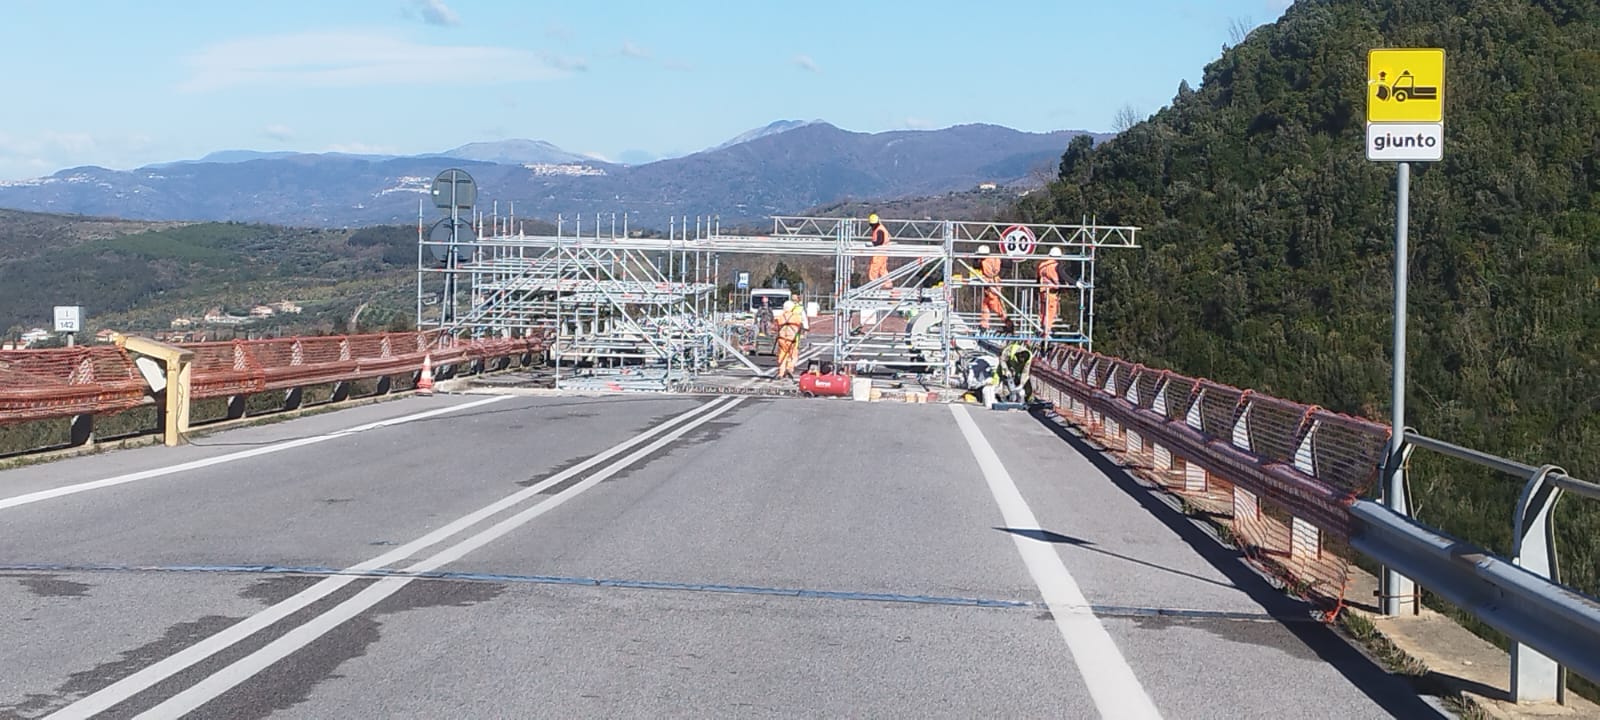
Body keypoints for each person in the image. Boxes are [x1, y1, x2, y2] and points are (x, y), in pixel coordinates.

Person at [773, 299, 809, 379]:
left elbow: (775, 326)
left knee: (782, 355)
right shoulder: (796, 317)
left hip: (782, 339)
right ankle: (789, 368)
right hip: (792, 339)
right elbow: (801, 324)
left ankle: (781, 373)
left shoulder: (780, 317)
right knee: (793, 355)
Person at [976, 245, 1007, 331]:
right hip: (994, 283)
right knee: (986, 305)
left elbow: (976, 265)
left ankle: (1008, 323)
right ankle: (984, 324)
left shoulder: (984, 261)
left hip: (990, 284)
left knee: (995, 306)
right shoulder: (996, 258)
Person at [1037, 246, 1062, 339]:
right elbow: (1063, 276)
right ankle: (1046, 332)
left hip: (1042, 291)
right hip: (1051, 292)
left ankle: (1043, 328)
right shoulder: (1056, 266)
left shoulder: (1042, 265)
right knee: (1050, 312)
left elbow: (1038, 279)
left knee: (1043, 312)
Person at [866, 213, 891, 289]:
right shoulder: (880, 228)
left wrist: (872, 244)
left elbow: (880, 241)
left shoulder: (879, 229)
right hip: (883, 251)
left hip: (879, 252)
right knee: (882, 269)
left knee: (874, 268)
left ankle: (874, 284)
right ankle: (887, 284)